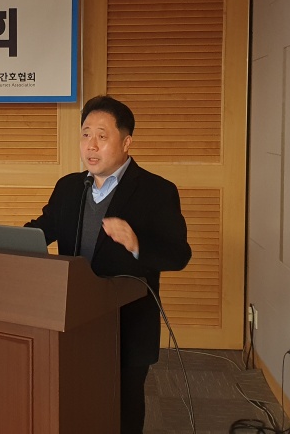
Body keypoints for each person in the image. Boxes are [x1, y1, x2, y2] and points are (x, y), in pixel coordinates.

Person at [25, 95, 192, 433]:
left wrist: (136, 244)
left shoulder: (157, 191)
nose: (91, 145)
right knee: (74, 399)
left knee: (122, 406)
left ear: (126, 142)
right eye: (86, 134)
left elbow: (178, 255)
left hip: (127, 324)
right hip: (72, 317)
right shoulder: (69, 187)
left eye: (102, 136)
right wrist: (9, 241)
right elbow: (44, 229)